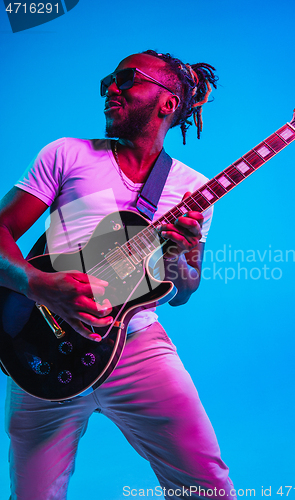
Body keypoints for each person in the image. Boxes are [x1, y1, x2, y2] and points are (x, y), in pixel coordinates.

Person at [0, 50, 235, 499]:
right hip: (44, 346)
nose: (111, 88)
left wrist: (179, 257)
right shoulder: (68, 154)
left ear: (168, 103)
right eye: (109, 80)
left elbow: (183, 288)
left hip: (137, 347)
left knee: (207, 489)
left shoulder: (192, 189)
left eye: (127, 79)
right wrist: (37, 284)